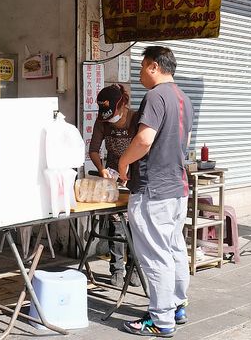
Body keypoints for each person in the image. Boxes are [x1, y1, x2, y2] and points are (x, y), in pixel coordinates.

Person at [118, 46, 194, 337]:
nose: (140, 74)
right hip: (177, 187)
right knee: (174, 248)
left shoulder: (155, 96)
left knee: (155, 255)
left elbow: (145, 139)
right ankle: (177, 306)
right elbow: (184, 141)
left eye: (141, 68)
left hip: (154, 189)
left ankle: (161, 320)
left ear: (152, 66)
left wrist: (124, 161)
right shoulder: (184, 98)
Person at [88, 84, 141, 288]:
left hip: (135, 177)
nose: (111, 119)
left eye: (114, 114)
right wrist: (102, 169)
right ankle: (117, 268)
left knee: (136, 224)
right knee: (117, 225)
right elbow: (93, 150)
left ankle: (135, 267)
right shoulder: (103, 122)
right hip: (113, 178)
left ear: (124, 105)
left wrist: (129, 169)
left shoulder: (137, 120)